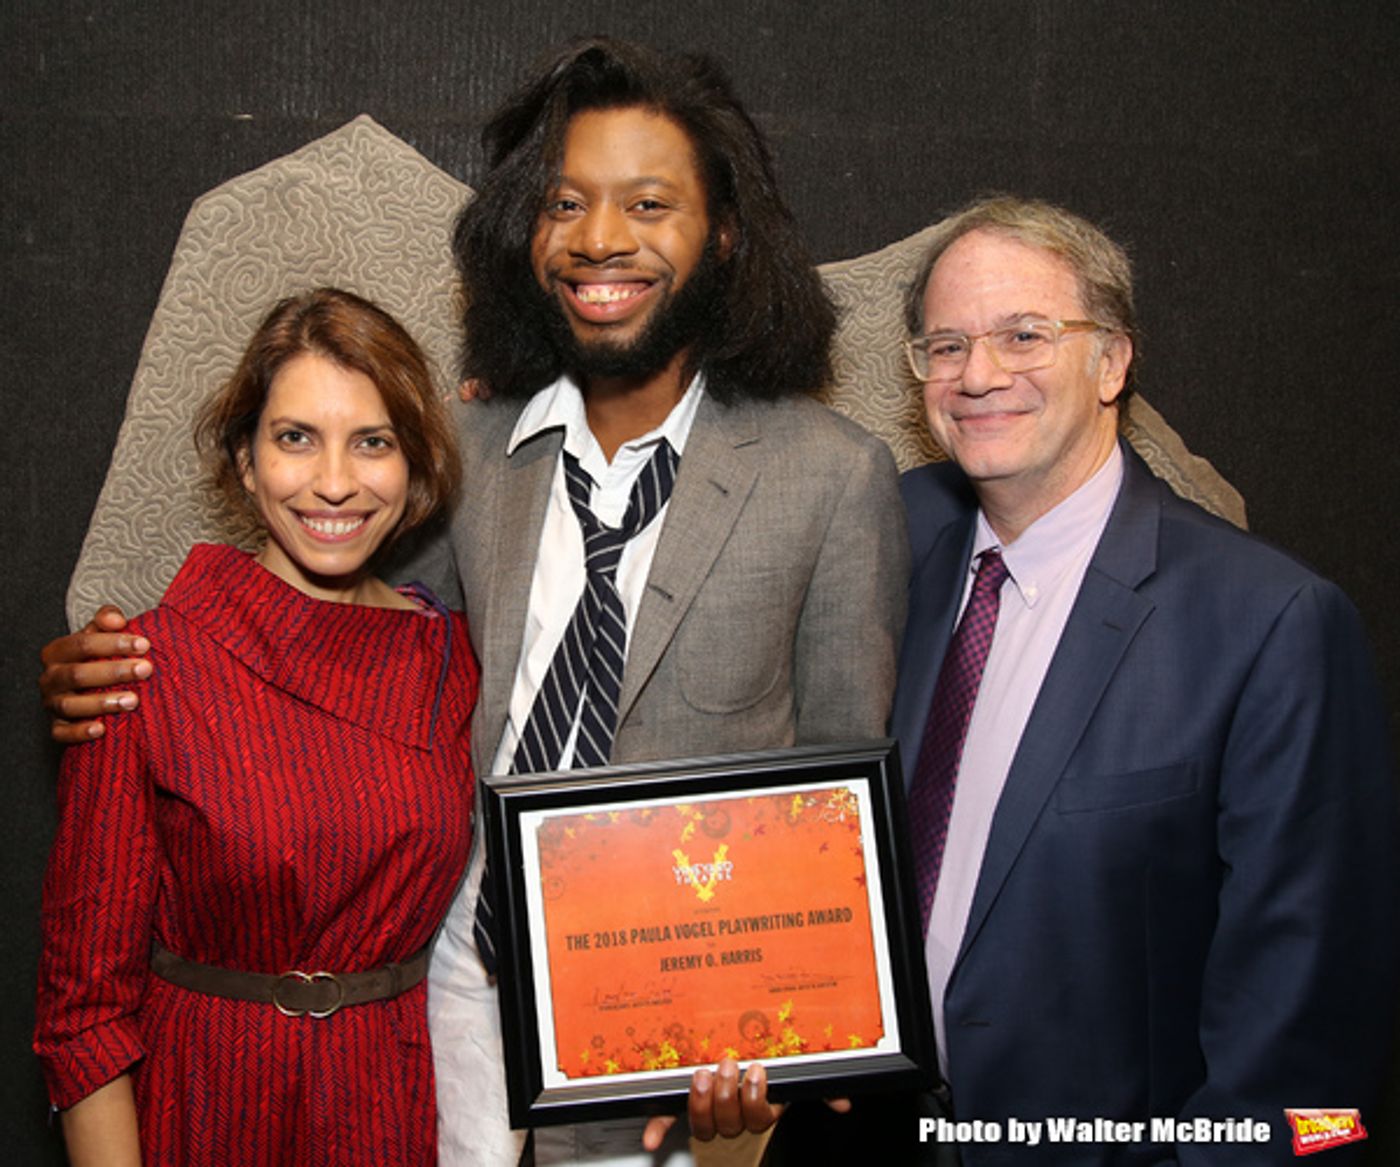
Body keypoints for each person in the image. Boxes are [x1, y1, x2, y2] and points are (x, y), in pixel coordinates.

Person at [39, 38, 908, 1167]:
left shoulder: (830, 475)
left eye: (649, 202)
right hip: (444, 997)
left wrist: (797, 1046)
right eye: (564, 202)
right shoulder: (465, 448)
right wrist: (112, 672)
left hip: (666, 1046)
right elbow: (339, 637)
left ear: (725, 234)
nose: (600, 238)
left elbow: (838, 802)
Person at [888, 196, 1398, 1163]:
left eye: (1024, 335)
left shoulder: (1269, 624)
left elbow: (1310, 1050)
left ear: (1113, 360)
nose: (978, 375)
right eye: (945, 345)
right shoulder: (892, 546)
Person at [33, 287, 476, 1166]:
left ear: (415, 469)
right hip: (204, 1102)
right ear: (244, 459)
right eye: (295, 437)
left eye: (373, 441)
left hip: (395, 1109)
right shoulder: (144, 666)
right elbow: (83, 1010)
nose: (336, 481)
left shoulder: (455, 662)